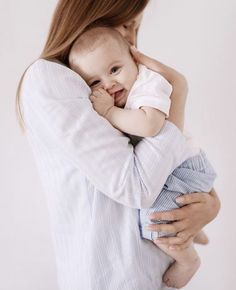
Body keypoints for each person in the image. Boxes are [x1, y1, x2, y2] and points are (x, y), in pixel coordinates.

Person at [16, 1, 220, 289]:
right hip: (112, 278)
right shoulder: (52, 79)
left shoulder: (132, 87)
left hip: (151, 273)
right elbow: (135, 185)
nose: (132, 38)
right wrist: (179, 92)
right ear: (93, 13)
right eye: (126, 24)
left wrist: (211, 206)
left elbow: (174, 160)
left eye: (136, 26)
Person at [68, 26, 216, 288]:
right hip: (176, 167)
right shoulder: (124, 94)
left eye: (114, 70)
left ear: (134, 59)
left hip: (183, 168)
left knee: (156, 225)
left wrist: (109, 113)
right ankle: (195, 232)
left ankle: (188, 260)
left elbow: (150, 125)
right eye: (95, 82)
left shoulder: (149, 83)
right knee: (172, 213)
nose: (109, 84)